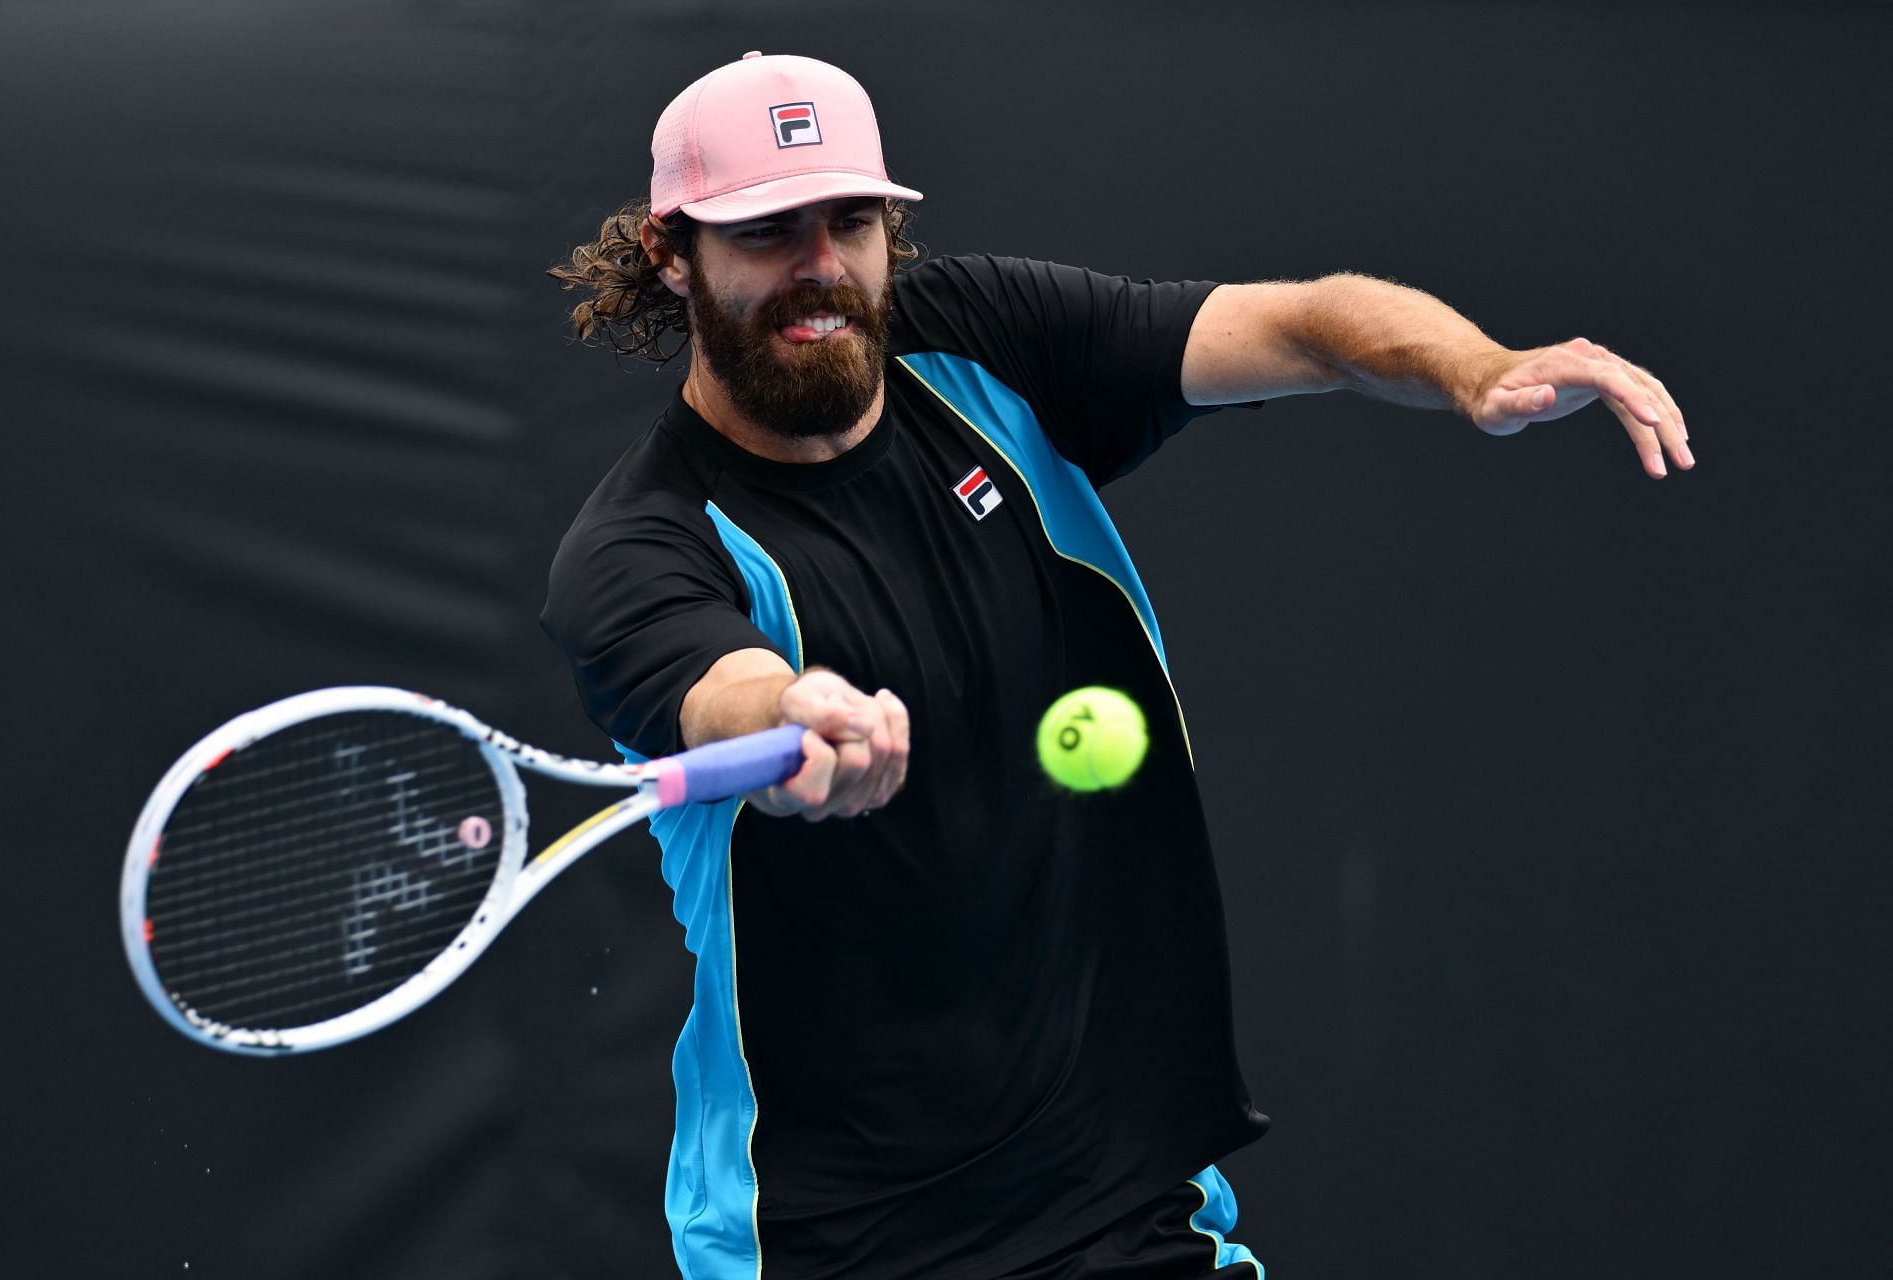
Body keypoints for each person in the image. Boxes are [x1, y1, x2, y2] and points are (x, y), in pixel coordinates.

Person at [542, 51, 1693, 1280]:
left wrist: (1474, 368)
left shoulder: (987, 341)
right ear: (672, 253)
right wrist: (795, 718)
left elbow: (1300, 323)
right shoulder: (636, 547)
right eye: (768, 230)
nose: (821, 264)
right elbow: (723, 695)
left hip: (1122, 1199)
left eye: (853, 220)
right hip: (828, 1239)